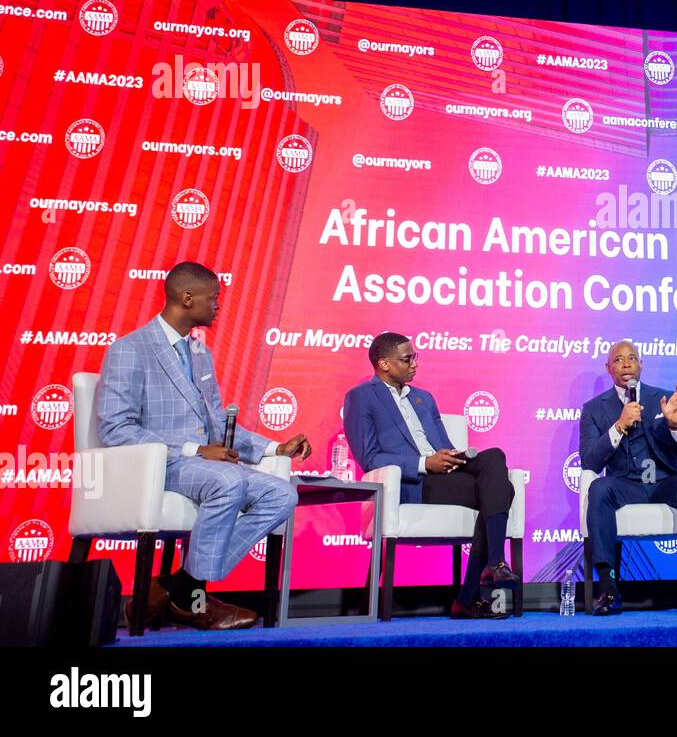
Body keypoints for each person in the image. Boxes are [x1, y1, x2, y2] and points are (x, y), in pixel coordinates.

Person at [97, 262, 310, 630]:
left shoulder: (198, 352)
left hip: (202, 467)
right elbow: (115, 428)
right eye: (214, 299)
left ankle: (177, 586)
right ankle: (193, 600)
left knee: (282, 495)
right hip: (158, 465)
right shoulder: (130, 349)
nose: (218, 306)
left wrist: (276, 448)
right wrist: (195, 451)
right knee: (228, 481)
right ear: (187, 297)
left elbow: (215, 417)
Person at [343, 332, 519, 619]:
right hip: (416, 481)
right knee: (502, 493)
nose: (415, 364)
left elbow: (441, 444)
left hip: (445, 471)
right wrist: (425, 463)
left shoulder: (424, 398)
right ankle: (474, 591)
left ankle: (493, 567)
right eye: (407, 359)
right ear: (384, 364)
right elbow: (369, 457)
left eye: (415, 357)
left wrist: (452, 457)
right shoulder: (361, 397)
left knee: (495, 457)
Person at [579, 340, 677, 615]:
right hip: (624, 484)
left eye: (632, 358)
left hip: (664, 481)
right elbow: (590, 461)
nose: (626, 364)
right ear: (608, 367)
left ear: (641, 364)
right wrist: (619, 426)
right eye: (618, 360)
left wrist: (676, 425)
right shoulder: (594, 408)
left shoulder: (664, 399)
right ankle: (607, 588)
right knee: (599, 488)